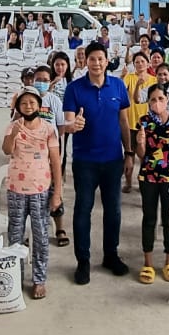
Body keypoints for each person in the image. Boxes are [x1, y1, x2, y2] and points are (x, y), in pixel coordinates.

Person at [62, 42, 133, 285]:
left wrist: (130, 152)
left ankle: (111, 255)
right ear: (85, 61)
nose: (96, 63)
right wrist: (73, 126)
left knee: (113, 210)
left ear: (106, 61)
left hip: (113, 160)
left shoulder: (118, 86)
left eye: (100, 59)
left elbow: (124, 122)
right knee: (83, 210)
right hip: (85, 162)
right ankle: (83, 261)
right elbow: (69, 122)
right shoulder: (74, 89)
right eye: (92, 59)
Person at [3, 86, 63, 299]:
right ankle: (15, 277)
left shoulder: (48, 129)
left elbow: (56, 161)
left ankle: (39, 280)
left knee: (40, 236)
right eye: (24, 103)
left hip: (41, 190)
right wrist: (13, 134)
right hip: (16, 190)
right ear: (19, 107)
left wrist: (57, 193)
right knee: (15, 236)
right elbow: (7, 150)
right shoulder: (13, 125)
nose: (28, 106)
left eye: (32, 102)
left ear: (39, 105)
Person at [135, 85, 169, 285]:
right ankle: (147, 262)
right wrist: (140, 143)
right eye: (153, 100)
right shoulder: (144, 122)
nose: (157, 103)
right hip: (148, 177)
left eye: (160, 98)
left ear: (167, 100)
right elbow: (142, 155)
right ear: (148, 102)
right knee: (149, 218)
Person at [31, 66, 71, 247]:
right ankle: (33, 231)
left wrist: (55, 148)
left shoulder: (53, 100)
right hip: (30, 157)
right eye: (38, 79)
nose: (42, 83)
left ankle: (59, 228)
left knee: (55, 190)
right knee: (31, 195)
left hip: (51, 154)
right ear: (32, 80)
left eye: (45, 80)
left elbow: (61, 127)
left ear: (50, 82)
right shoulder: (27, 99)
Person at [122, 52, 154, 194]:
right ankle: (128, 182)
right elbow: (122, 93)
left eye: (142, 61)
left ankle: (143, 183)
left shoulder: (154, 80)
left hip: (147, 125)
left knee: (145, 157)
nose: (140, 64)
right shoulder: (129, 78)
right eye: (137, 62)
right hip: (130, 122)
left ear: (148, 63)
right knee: (129, 155)